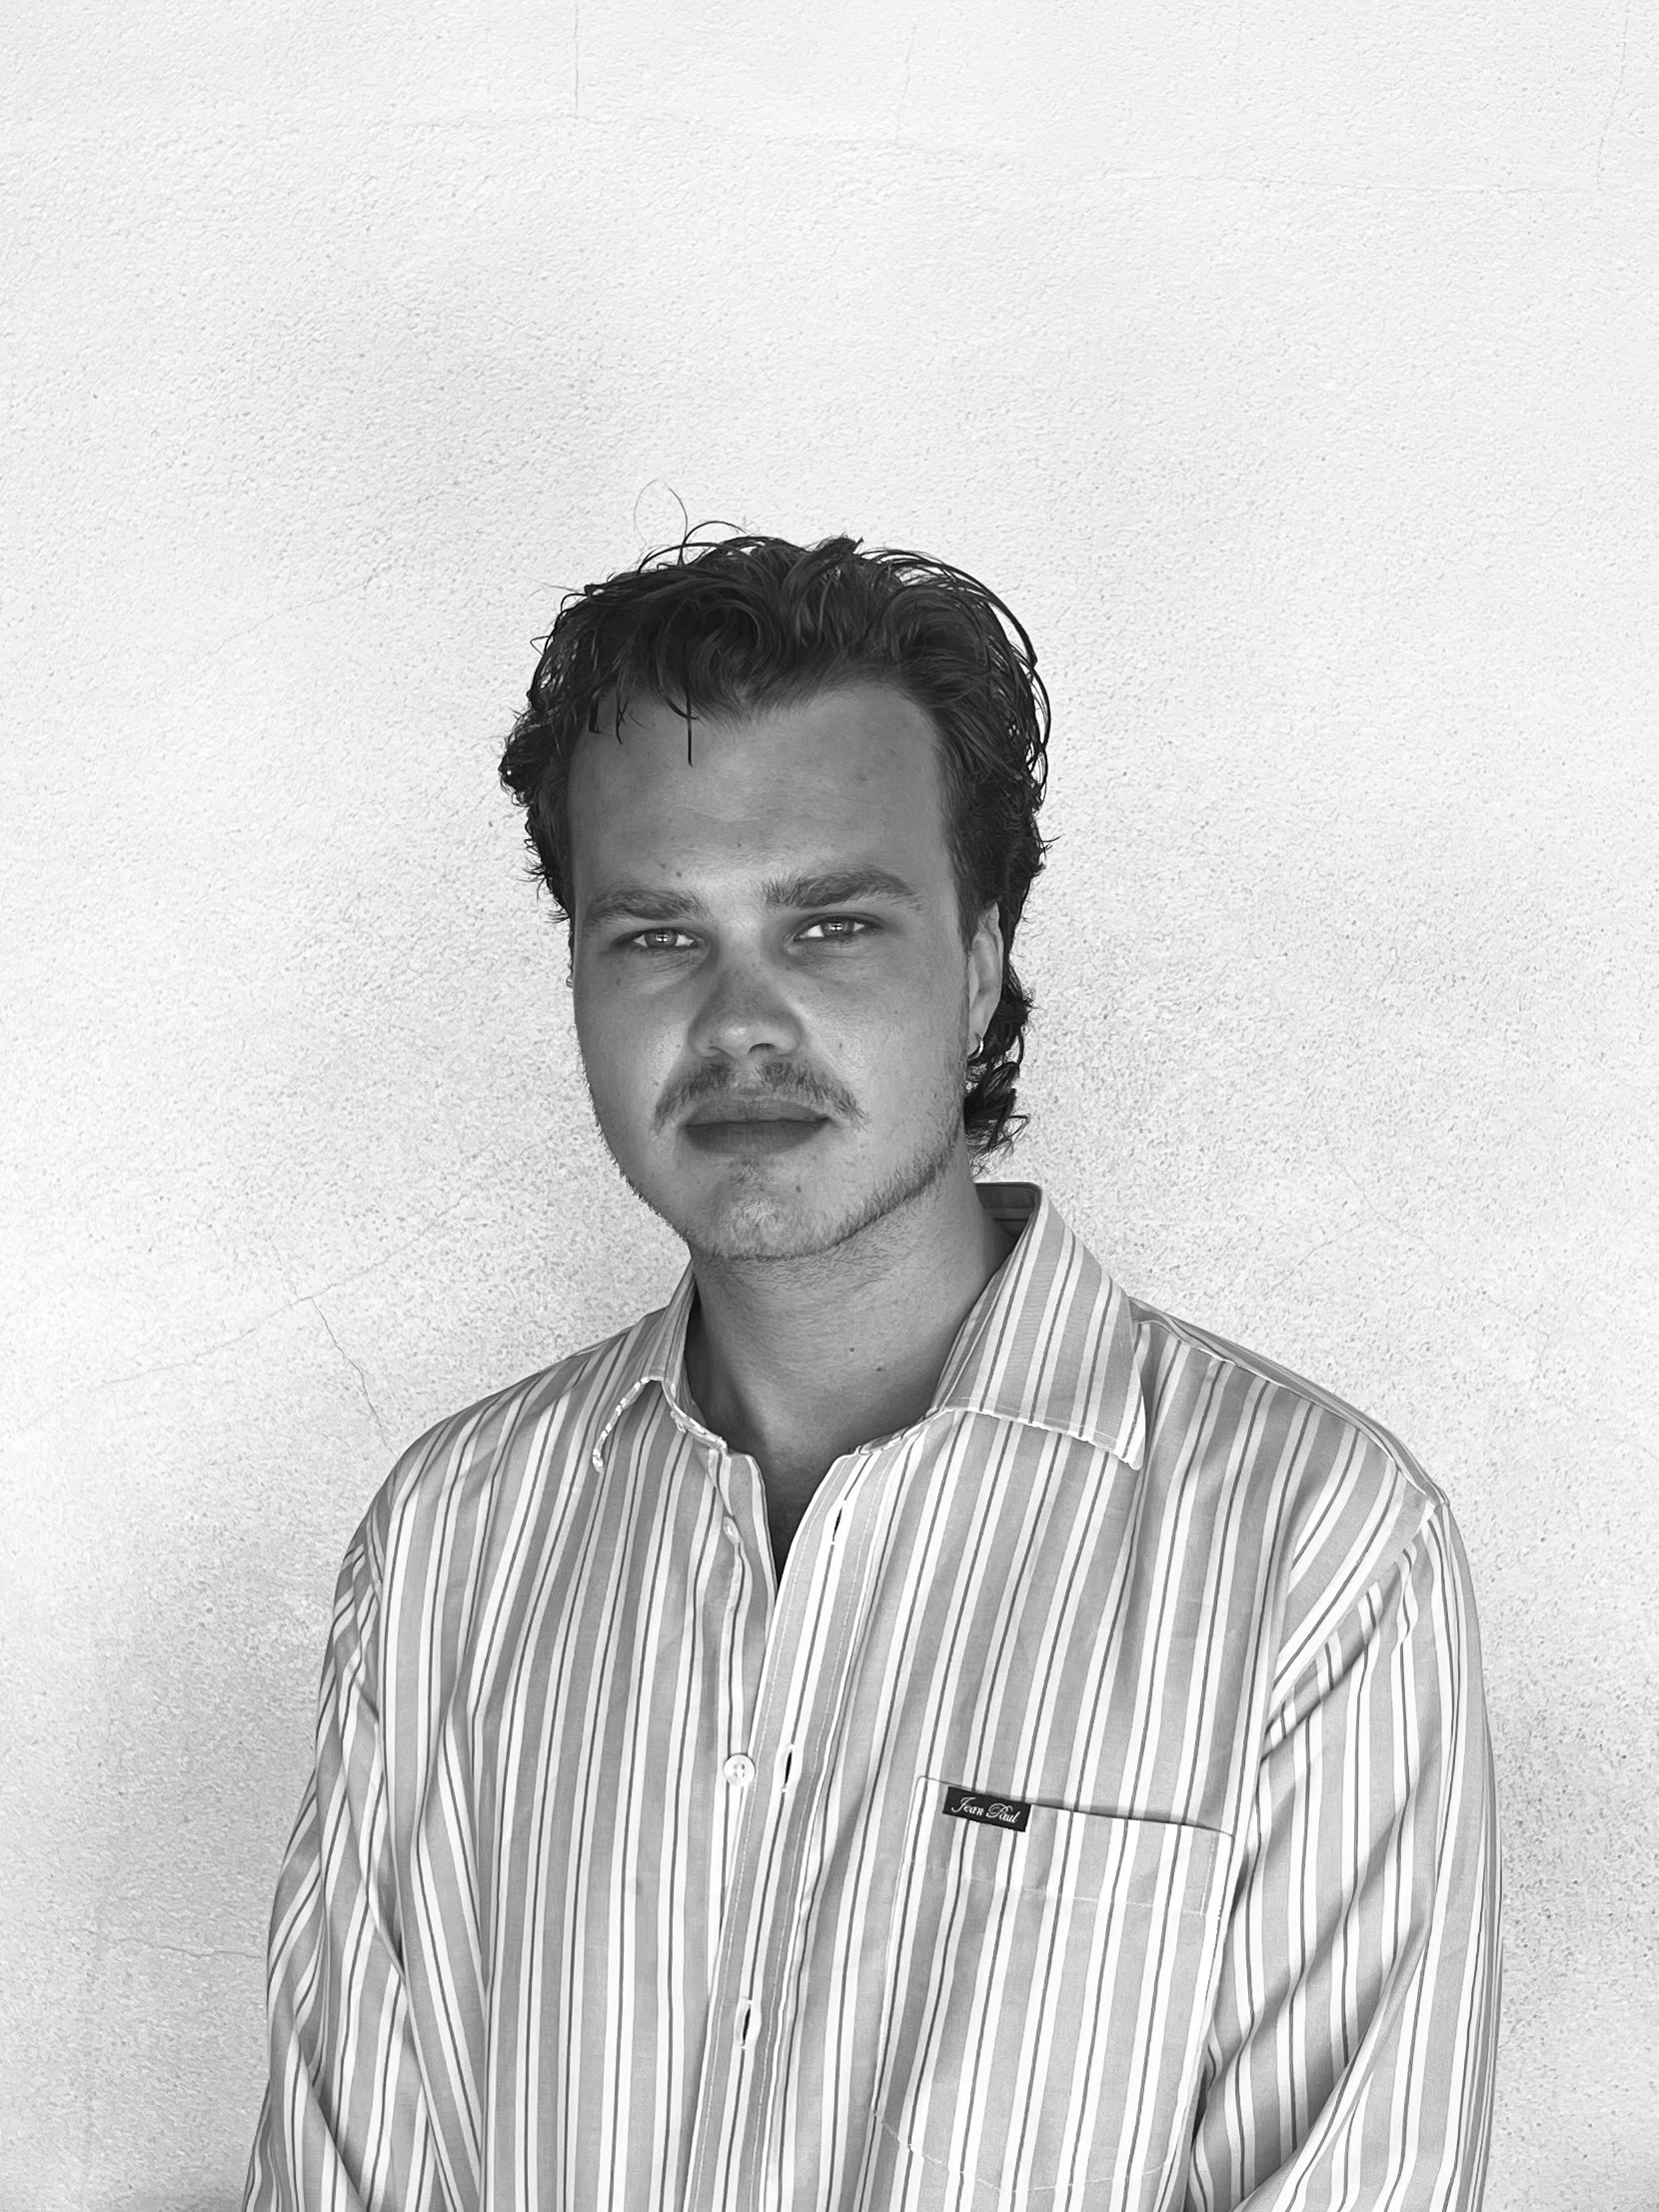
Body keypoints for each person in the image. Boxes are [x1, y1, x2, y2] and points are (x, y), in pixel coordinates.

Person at [243, 531, 1501, 2212]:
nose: (738, 1021)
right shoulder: (450, 1546)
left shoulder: (1312, 1552)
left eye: (831, 924)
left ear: (980, 964)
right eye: (655, 935)